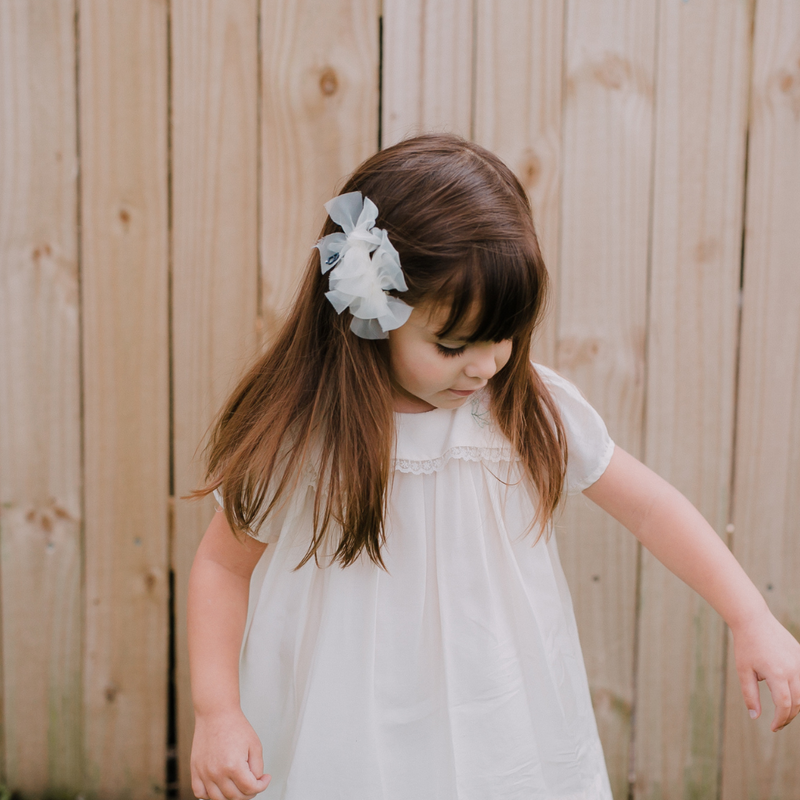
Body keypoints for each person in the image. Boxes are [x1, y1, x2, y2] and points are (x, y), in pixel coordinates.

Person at [187, 133, 800, 800]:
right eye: (452, 344)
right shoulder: (307, 434)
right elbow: (223, 565)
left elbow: (650, 509)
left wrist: (751, 617)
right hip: (343, 710)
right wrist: (217, 712)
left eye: (503, 336)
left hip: (497, 708)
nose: (484, 366)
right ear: (371, 312)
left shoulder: (524, 409)